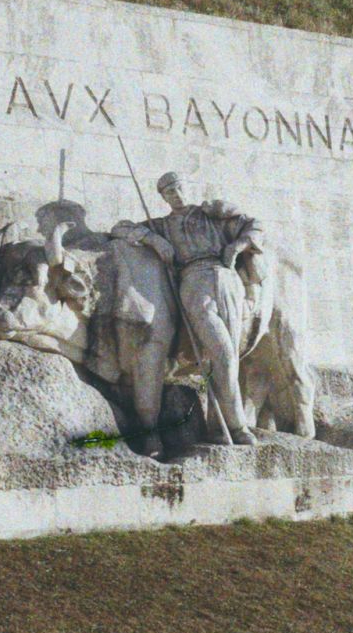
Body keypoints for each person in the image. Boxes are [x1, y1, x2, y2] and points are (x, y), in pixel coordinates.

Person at [112, 172, 267, 446]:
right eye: (169, 192)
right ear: (163, 198)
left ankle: (219, 428)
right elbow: (119, 228)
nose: (176, 195)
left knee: (228, 355)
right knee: (224, 353)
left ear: (187, 187)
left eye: (178, 188)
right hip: (194, 282)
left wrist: (237, 245)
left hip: (228, 279)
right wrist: (152, 238)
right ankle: (238, 425)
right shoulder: (162, 225)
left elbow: (254, 225)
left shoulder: (211, 214)